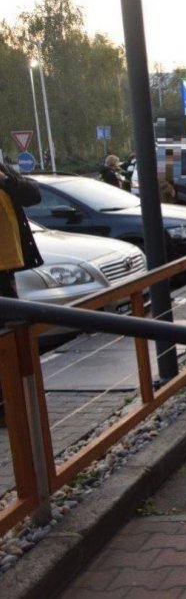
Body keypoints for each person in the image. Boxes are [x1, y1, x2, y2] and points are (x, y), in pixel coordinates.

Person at [0, 162, 43, 427]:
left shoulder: (3, 172)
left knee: (12, 335)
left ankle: (14, 403)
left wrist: (7, 180)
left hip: (5, 272)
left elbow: (33, 195)